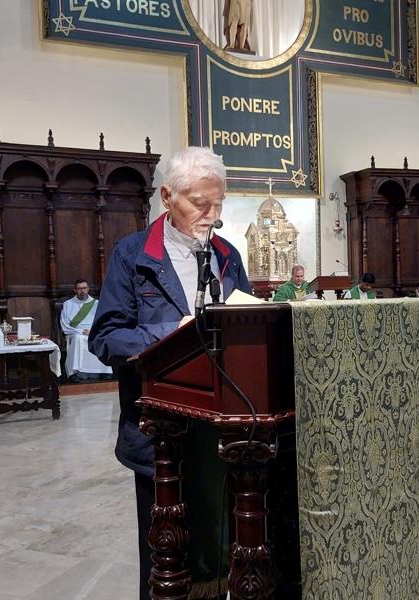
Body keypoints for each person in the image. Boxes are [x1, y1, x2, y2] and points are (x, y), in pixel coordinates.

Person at [89, 146, 251, 600]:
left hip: (225, 429)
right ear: (167, 196)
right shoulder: (132, 255)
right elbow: (106, 339)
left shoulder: (226, 254)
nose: (213, 214)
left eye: (219, 203)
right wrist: (172, 333)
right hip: (160, 432)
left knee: (223, 541)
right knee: (166, 551)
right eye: (201, 204)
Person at [60, 279, 112, 380]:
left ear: (88, 289)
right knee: (78, 338)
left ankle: (103, 371)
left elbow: (101, 322)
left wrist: (93, 332)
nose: (82, 290)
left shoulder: (96, 303)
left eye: (84, 288)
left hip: (92, 331)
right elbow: (64, 325)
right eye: (79, 288)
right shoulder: (68, 304)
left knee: (99, 337)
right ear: (75, 290)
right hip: (74, 332)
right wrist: (80, 331)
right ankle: (75, 373)